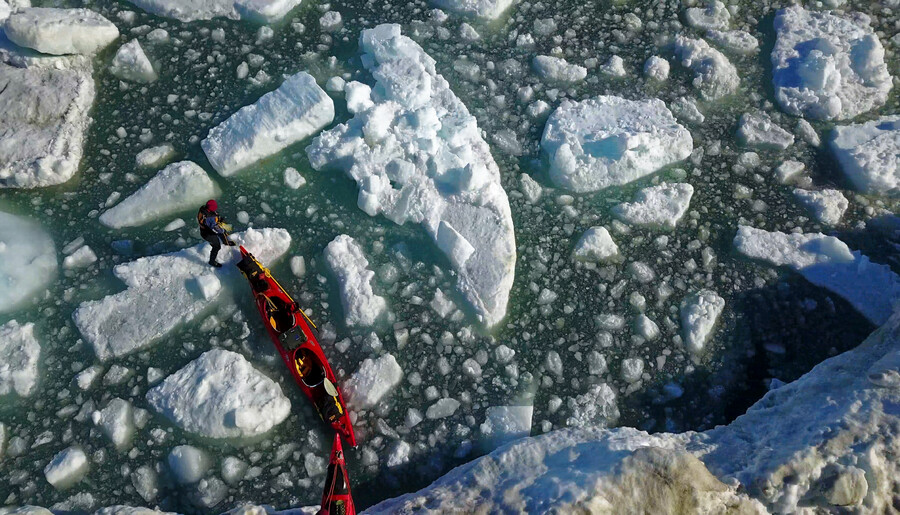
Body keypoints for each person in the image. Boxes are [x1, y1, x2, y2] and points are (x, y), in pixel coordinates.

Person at [197, 199, 234, 267]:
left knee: (221, 233)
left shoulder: (204, 209)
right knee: (217, 246)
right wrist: (223, 229)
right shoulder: (209, 218)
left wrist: (218, 219)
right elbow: (215, 228)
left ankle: (226, 242)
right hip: (208, 234)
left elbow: (212, 218)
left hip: (206, 230)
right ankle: (212, 262)